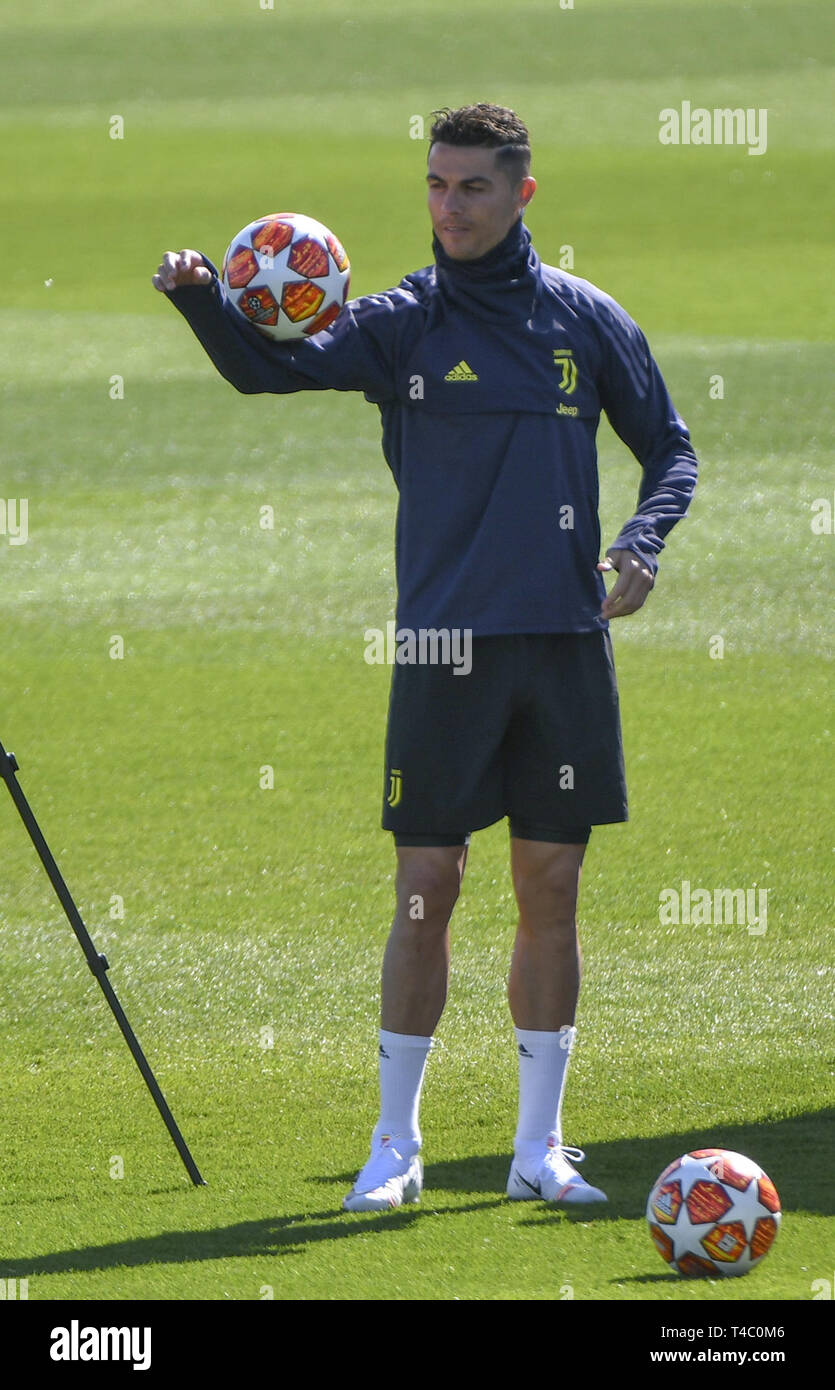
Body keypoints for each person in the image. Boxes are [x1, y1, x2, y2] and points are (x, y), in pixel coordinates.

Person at [153, 103, 698, 1213]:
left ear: (522, 195)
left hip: (561, 647)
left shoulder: (585, 321)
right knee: (425, 887)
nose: (448, 208)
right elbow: (271, 372)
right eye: (436, 187)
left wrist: (641, 545)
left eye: (471, 189)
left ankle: (537, 1148)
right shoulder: (400, 322)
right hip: (444, 645)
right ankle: (395, 1144)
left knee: (551, 886)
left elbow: (671, 450)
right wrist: (203, 299)